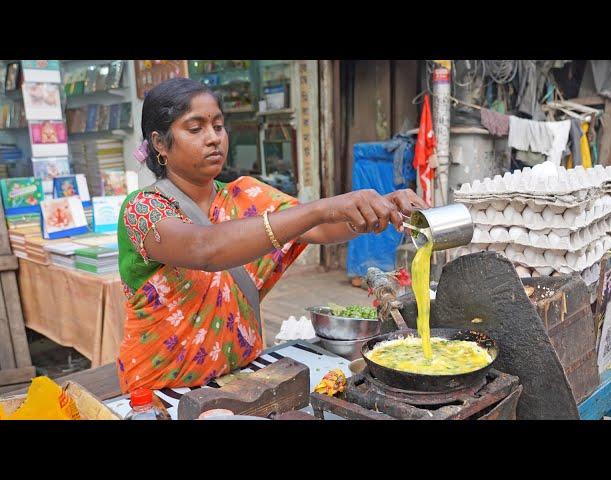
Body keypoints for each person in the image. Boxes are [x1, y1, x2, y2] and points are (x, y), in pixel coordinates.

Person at [117, 78, 426, 392]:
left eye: (218, 126)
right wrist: (321, 208)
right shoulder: (143, 210)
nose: (213, 139)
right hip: (160, 393)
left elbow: (317, 228)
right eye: (195, 129)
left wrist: (382, 207)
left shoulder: (246, 195)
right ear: (159, 143)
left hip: (242, 380)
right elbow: (204, 248)